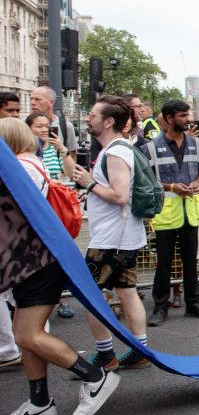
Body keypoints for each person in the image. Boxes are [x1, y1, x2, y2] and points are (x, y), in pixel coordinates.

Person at [0, 118, 120, 415]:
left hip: (38, 263)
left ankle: (94, 377)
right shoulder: (25, 164)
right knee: (25, 336)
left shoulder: (24, 166)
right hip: (31, 263)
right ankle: (40, 403)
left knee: (27, 334)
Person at [70, 96, 151, 371]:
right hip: (123, 236)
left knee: (91, 295)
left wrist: (89, 183)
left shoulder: (115, 152)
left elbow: (119, 196)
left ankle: (106, 355)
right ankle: (140, 350)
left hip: (111, 239)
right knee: (127, 291)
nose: (88, 118)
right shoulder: (118, 149)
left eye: (92, 115)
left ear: (108, 121)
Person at [144, 100, 199, 326]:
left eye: (188, 115)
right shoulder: (150, 148)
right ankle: (160, 306)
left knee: (190, 261)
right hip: (165, 214)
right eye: (183, 116)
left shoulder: (196, 143)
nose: (188, 119)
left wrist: (197, 182)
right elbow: (147, 180)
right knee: (163, 262)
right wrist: (171, 187)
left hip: (190, 212)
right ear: (169, 118)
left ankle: (193, 303)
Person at [25, 111, 78, 319]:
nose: (44, 130)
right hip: (40, 208)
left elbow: (71, 173)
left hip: (58, 207)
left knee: (59, 255)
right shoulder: (27, 151)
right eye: (39, 126)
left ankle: (62, 299)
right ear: (28, 129)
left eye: (47, 126)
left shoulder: (56, 149)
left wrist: (63, 150)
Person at [29, 86, 76, 153]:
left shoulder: (65, 126)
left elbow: (72, 154)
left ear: (51, 102)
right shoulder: (24, 124)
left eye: (37, 99)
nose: (32, 102)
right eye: (31, 99)